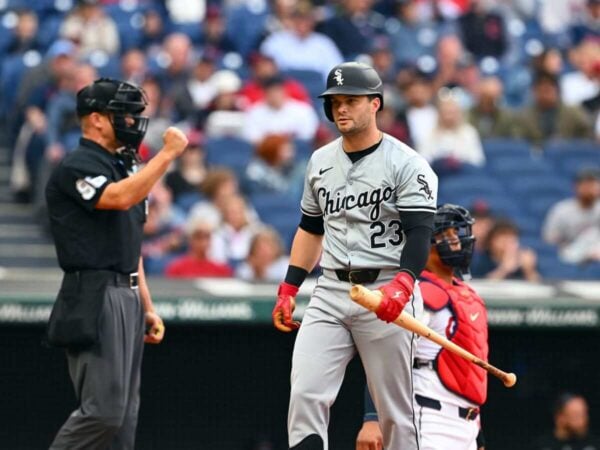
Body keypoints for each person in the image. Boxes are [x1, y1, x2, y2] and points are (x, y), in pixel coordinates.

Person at [272, 62, 438, 450]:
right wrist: (290, 286)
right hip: (331, 289)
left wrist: (403, 284)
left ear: (375, 104)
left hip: (387, 286)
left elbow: (419, 234)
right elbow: (311, 228)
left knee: (395, 414)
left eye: (351, 101)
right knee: (306, 394)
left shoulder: (407, 163)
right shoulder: (319, 161)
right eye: (334, 102)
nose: (341, 109)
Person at [45, 77, 188, 449]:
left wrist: (147, 306)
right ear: (95, 119)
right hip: (93, 292)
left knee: (123, 423)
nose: (132, 123)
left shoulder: (122, 165)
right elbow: (117, 199)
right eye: (123, 115)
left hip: (126, 293)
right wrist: (167, 155)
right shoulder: (76, 164)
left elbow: (131, 244)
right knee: (103, 412)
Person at [356, 204, 487, 450]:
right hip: (428, 417)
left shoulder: (465, 294)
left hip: (467, 423)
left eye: (455, 234)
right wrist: (373, 418)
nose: (456, 241)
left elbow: (468, 371)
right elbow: (386, 357)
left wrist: (478, 434)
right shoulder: (419, 293)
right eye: (444, 236)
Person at [542, 168, 600, 264]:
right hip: (569, 254)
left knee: (593, 235)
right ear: (576, 186)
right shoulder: (562, 210)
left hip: (595, 254)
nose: (591, 189)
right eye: (587, 184)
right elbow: (550, 240)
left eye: (594, 185)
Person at [532, 393, 600, 450]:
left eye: (584, 414)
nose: (583, 420)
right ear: (560, 417)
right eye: (576, 415)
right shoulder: (541, 445)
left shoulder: (595, 445)